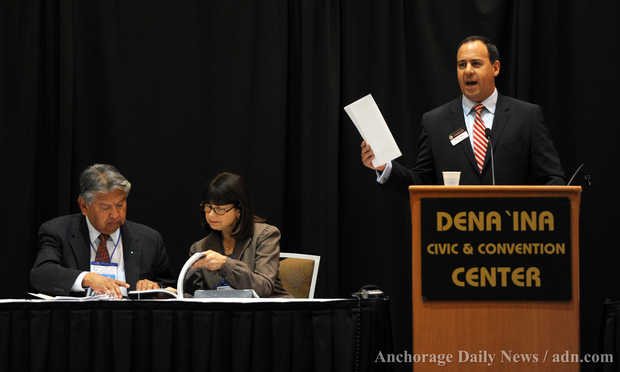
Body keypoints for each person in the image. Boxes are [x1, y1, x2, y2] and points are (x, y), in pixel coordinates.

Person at [361, 35, 565, 186]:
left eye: (476, 63)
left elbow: (553, 178)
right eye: (461, 65)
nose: (468, 71)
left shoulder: (526, 117)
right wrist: (385, 167)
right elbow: (421, 184)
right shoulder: (435, 122)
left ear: (495, 68)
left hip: (512, 236)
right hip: (454, 237)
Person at [30, 164, 173, 298]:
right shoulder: (58, 231)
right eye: (106, 208)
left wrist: (156, 288)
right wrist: (87, 278)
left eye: (120, 205)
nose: (116, 215)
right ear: (84, 206)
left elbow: (170, 287)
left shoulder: (149, 239)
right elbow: (41, 274)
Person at [184, 172, 289, 298]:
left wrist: (225, 264)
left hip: (266, 311)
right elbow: (201, 296)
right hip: (225, 314)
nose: (211, 215)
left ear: (238, 210)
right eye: (208, 207)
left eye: (219, 209)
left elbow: (263, 288)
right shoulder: (199, 248)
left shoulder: (265, 235)